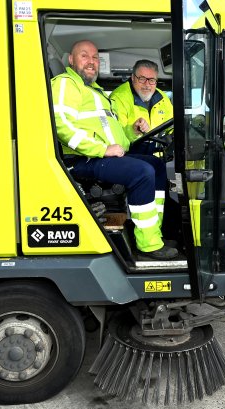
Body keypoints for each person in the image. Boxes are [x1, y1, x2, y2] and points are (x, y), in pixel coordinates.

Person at [51, 40, 177, 260]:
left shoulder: (96, 92)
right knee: (141, 172)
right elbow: (61, 125)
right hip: (82, 160)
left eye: (94, 58)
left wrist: (132, 131)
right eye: (84, 56)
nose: (91, 61)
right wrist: (101, 149)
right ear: (71, 60)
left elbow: (114, 134)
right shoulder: (66, 84)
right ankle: (148, 244)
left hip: (98, 156)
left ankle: (151, 232)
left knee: (155, 165)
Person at [110, 59, 173, 145]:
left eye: (151, 80)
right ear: (133, 77)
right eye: (142, 79)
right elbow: (115, 136)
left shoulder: (163, 98)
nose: (147, 85)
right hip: (130, 153)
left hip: (158, 152)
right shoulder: (118, 98)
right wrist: (133, 131)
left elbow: (171, 127)